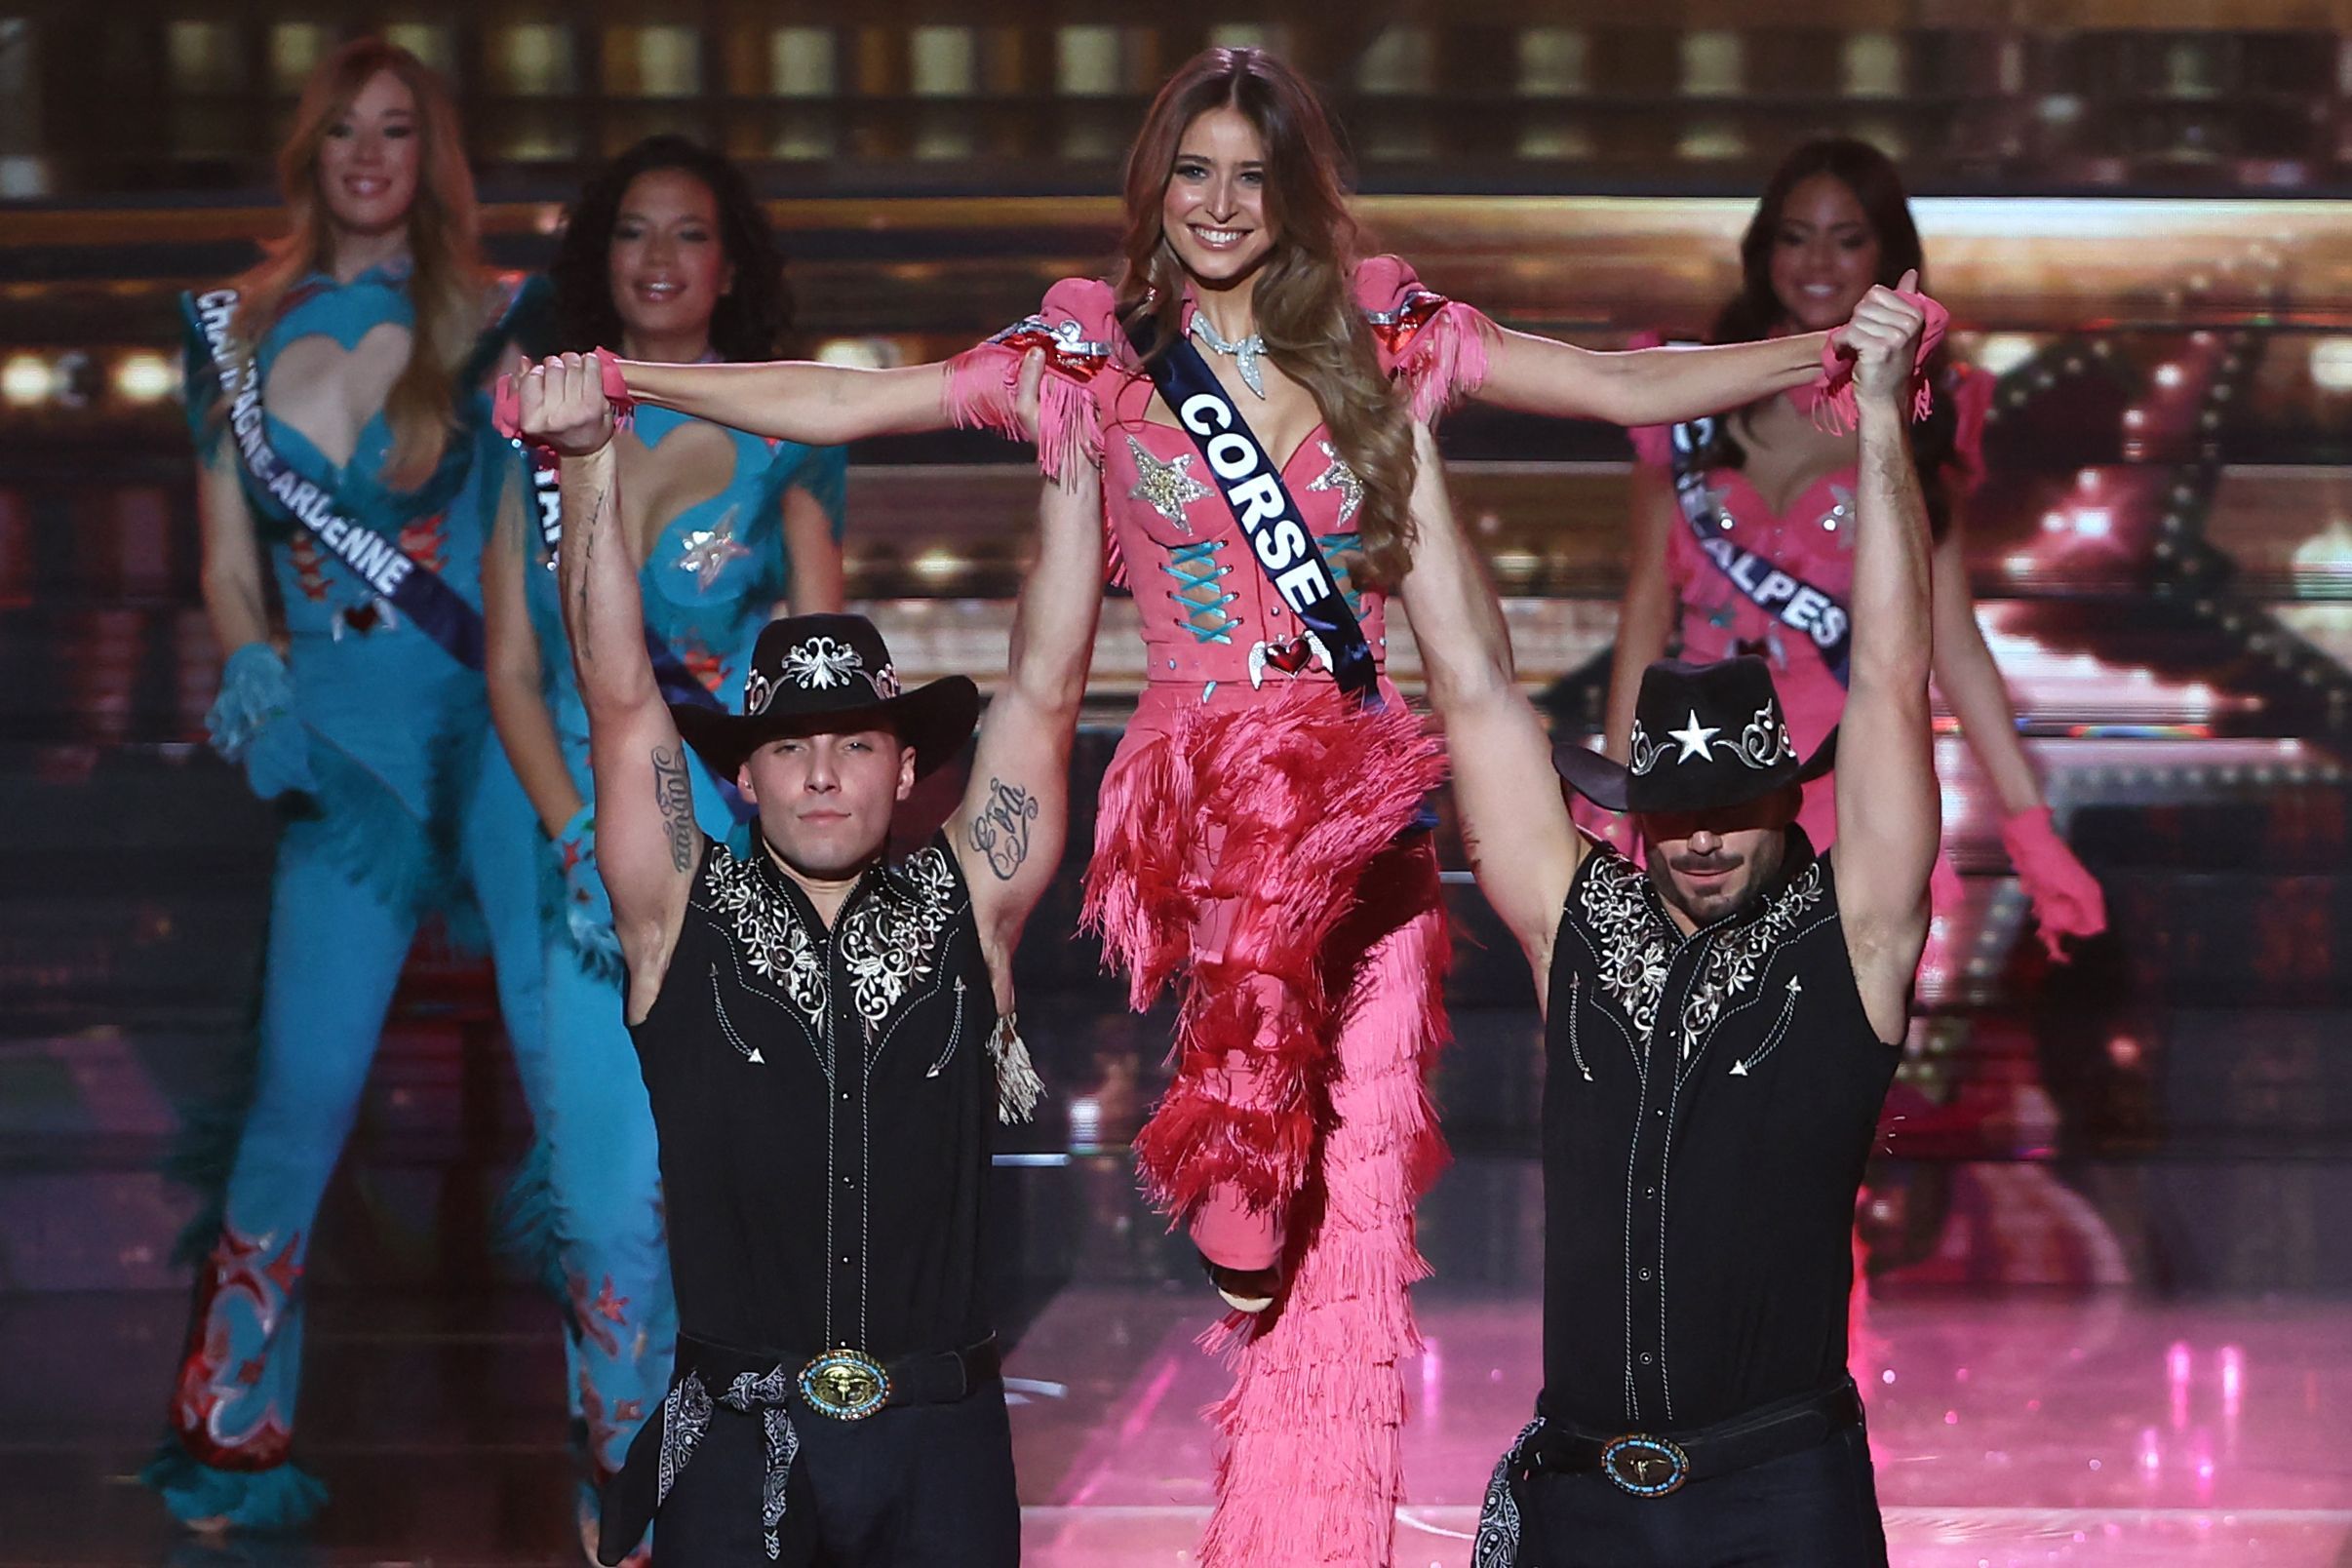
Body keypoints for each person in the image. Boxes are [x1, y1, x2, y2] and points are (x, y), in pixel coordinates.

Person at [498, 48, 1924, 1565]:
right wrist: (633, 386)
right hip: (1205, 803)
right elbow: (861, 401)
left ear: (1294, 192)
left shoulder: (1385, 333)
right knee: (1248, 1231)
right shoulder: (1092, 358)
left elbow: (1608, 384)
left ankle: (1306, 1524)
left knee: (1351, 1213)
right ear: (1155, 190)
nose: (1222, 203)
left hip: (1360, 797)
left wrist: (1816, 355)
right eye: (1195, 173)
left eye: (1252, 174)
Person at [507, 347, 1093, 1566]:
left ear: (905, 766)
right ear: (745, 772)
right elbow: (620, 698)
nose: (822, 771)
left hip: (944, 1451)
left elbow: (1046, 684)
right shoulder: (681, 910)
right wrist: (588, 456)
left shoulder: (967, 905)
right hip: (738, 1446)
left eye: (856, 742)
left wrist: (1074, 455)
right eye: (788, 745)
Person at [1418, 278, 1939, 1565]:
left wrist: (1877, 417)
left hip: (1780, 1499)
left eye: (1736, 808)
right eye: (1676, 813)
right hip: (1584, 1499)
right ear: (1635, 814)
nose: (1702, 838)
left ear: (1789, 800)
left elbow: (1889, 675)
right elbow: (1476, 689)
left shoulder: (1851, 934)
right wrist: (1402, 446)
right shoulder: (1581, 925)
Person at [145, 38, 553, 1533]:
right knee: (301, 1095)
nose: (368, 155)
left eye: (397, 130)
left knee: (576, 1084)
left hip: (494, 727)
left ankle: (638, 1428)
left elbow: (539, 542)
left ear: (427, 153)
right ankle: (231, 1426)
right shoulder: (228, 334)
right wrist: (250, 660)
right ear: (309, 153)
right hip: (337, 738)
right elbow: (222, 550)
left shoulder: (503, 321)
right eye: (343, 132)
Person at [483, 134, 847, 1546]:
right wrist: (579, 832)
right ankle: (621, 1500)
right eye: (633, 232)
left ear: (731, 264)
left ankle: (740, 1500)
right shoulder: (534, 434)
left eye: (688, 234)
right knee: (605, 1211)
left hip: (745, 868)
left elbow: (826, 673)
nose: (657, 259)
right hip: (577, 867)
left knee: (741, 1200)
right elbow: (517, 671)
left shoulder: (781, 441)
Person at [1602, 138, 2103, 962]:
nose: (1818, 262)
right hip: (1701, 783)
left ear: (1889, 255)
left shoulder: (1925, 408)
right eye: (1795, 236)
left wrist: (2029, 825)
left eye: (1848, 237)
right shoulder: (1687, 390)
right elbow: (1643, 617)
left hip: (1853, 784)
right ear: (1764, 251)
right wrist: (1625, 795)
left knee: (1831, 1074)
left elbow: (1955, 643)